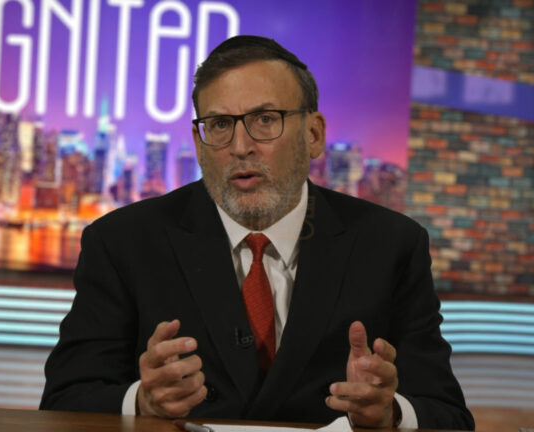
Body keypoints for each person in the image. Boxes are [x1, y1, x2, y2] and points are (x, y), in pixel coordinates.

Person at [40, 35, 474, 430]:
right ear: (198, 143)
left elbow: (448, 415)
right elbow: (63, 402)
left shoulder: (392, 245)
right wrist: (142, 401)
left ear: (314, 134)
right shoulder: (122, 242)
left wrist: (391, 413)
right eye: (219, 124)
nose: (240, 146)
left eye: (265, 119)